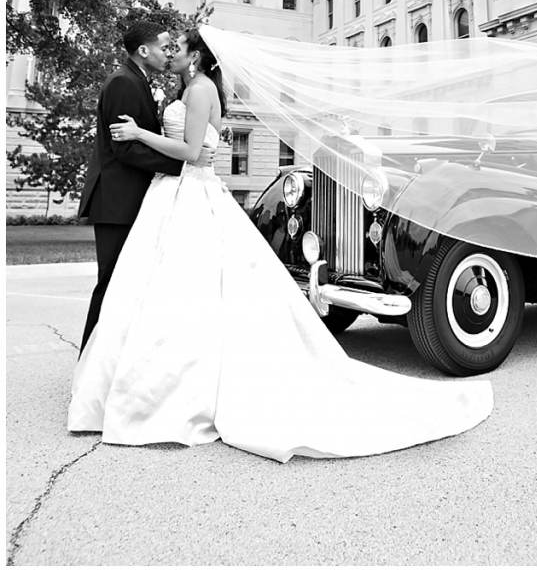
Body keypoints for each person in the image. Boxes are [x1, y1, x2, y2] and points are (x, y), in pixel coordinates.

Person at [68, 27, 493, 462]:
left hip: (188, 189)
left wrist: (140, 134)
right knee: (165, 288)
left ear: (196, 58)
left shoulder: (198, 91)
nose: (171, 53)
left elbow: (194, 152)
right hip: (177, 193)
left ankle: (169, 384)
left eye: (178, 48)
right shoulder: (182, 87)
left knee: (179, 287)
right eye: (167, 47)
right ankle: (141, 375)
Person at [78, 21, 204, 353]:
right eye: (165, 47)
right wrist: (181, 164)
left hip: (131, 199)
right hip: (116, 202)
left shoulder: (137, 81)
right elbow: (125, 148)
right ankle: (88, 366)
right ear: (144, 51)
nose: (169, 53)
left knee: (126, 285)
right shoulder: (123, 83)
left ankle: (112, 362)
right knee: (110, 285)